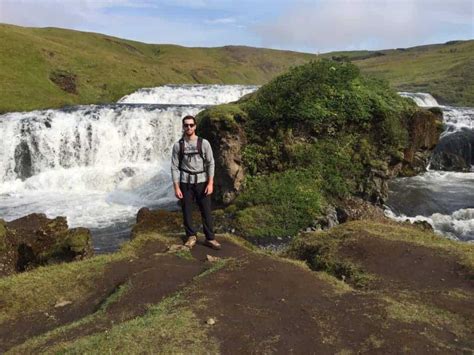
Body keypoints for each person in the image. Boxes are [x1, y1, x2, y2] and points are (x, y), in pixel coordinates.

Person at [170, 115, 221, 250]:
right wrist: (176, 187)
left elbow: (211, 163)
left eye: (191, 125)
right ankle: (191, 236)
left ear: (195, 126)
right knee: (186, 210)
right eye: (186, 125)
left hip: (202, 182)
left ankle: (210, 238)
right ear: (183, 127)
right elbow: (174, 167)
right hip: (185, 182)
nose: (189, 127)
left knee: (206, 210)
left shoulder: (204, 143)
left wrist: (210, 183)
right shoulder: (178, 146)